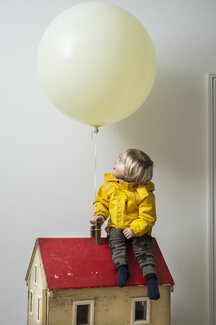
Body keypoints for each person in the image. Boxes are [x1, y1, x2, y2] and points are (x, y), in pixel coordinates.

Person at [92, 148, 160, 300]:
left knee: (142, 248)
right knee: (115, 242)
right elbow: (101, 202)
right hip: (117, 225)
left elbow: (148, 217)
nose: (116, 162)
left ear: (130, 173)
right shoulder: (109, 186)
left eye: (121, 162)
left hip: (137, 230)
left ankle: (151, 279)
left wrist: (135, 229)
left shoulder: (144, 193)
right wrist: (100, 216)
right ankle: (122, 268)